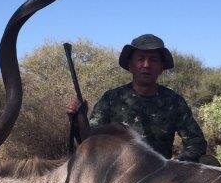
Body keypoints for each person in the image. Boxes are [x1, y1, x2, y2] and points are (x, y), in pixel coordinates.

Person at [67, 34, 211, 162]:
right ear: (130, 66)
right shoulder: (111, 99)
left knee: (209, 163)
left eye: (153, 60)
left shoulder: (174, 101)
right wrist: (77, 119)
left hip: (161, 176)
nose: (146, 65)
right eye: (140, 59)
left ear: (161, 68)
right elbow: (89, 142)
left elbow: (196, 141)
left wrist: (176, 163)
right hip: (118, 175)